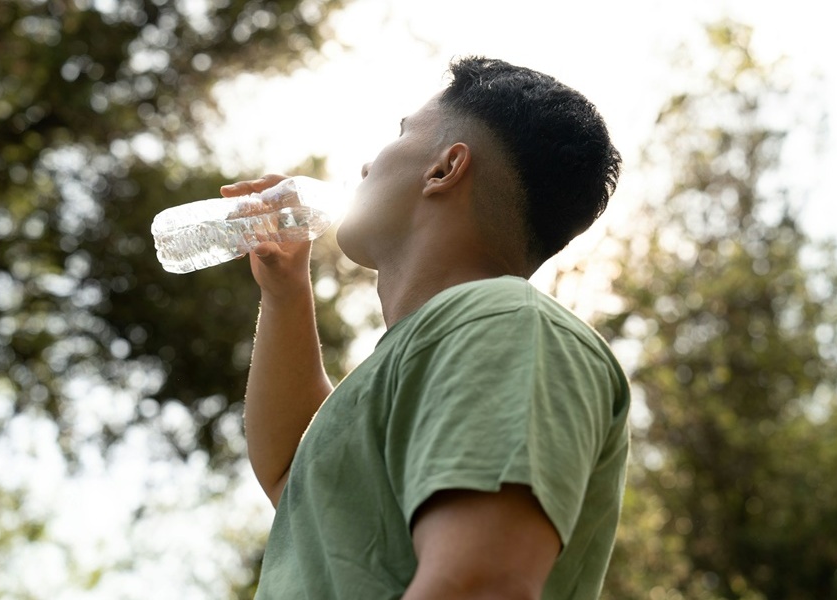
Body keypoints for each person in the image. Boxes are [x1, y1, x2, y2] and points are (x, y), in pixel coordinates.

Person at [223, 56, 630, 599]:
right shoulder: (442, 345)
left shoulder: (506, 326)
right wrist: (284, 292)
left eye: (400, 133)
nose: (367, 165)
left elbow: (481, 586)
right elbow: (295, 474)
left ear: (444, 168)